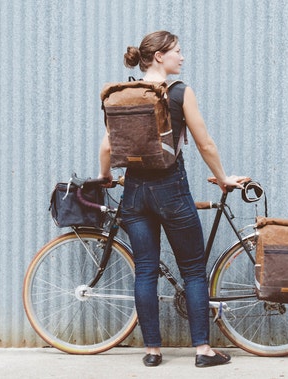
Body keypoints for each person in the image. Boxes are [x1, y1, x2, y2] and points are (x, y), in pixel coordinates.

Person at [98, 30, 241, 368]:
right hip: (171, 190)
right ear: (159, 56)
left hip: (134, 192)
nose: (182, 56)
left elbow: (107, 146)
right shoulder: (179, 93)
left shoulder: (125, 93)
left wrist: (105, 176)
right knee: (193, 269)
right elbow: (204, 143)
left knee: (145, 270)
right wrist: (222, 178)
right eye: (177, 51)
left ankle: (152, 351)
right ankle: (203, 350)